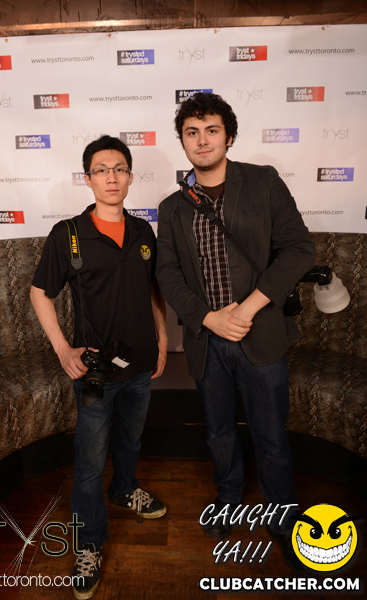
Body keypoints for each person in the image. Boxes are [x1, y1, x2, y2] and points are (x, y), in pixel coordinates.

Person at [156, 92, 315, 568]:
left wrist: (245, 309)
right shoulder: (172, 206)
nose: (202, 140)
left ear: (228, 136)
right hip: (207, 342)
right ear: (183, 141)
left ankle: (282, 514)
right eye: (192, 132)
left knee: (271, 435)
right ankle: (228, 497)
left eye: (211, 130)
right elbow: (168, 274)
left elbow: (298, 250)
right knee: (219, 432)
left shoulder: (262, 182)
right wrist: (209, 318)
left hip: (260, 335)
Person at [30, 135, 167, 599]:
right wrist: (62, 349)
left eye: (120, 168)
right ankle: (89, 542)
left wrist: (162, 337)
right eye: (102, 170)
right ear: (88, 178)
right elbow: (39, 292)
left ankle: (125, 488)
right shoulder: (68, 234)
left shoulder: (144, 232)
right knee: (90, 462)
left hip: (141, 365)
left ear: (130, 176)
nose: (112, 177)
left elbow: (153, 290)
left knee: (130, 439)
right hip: (95, 372)